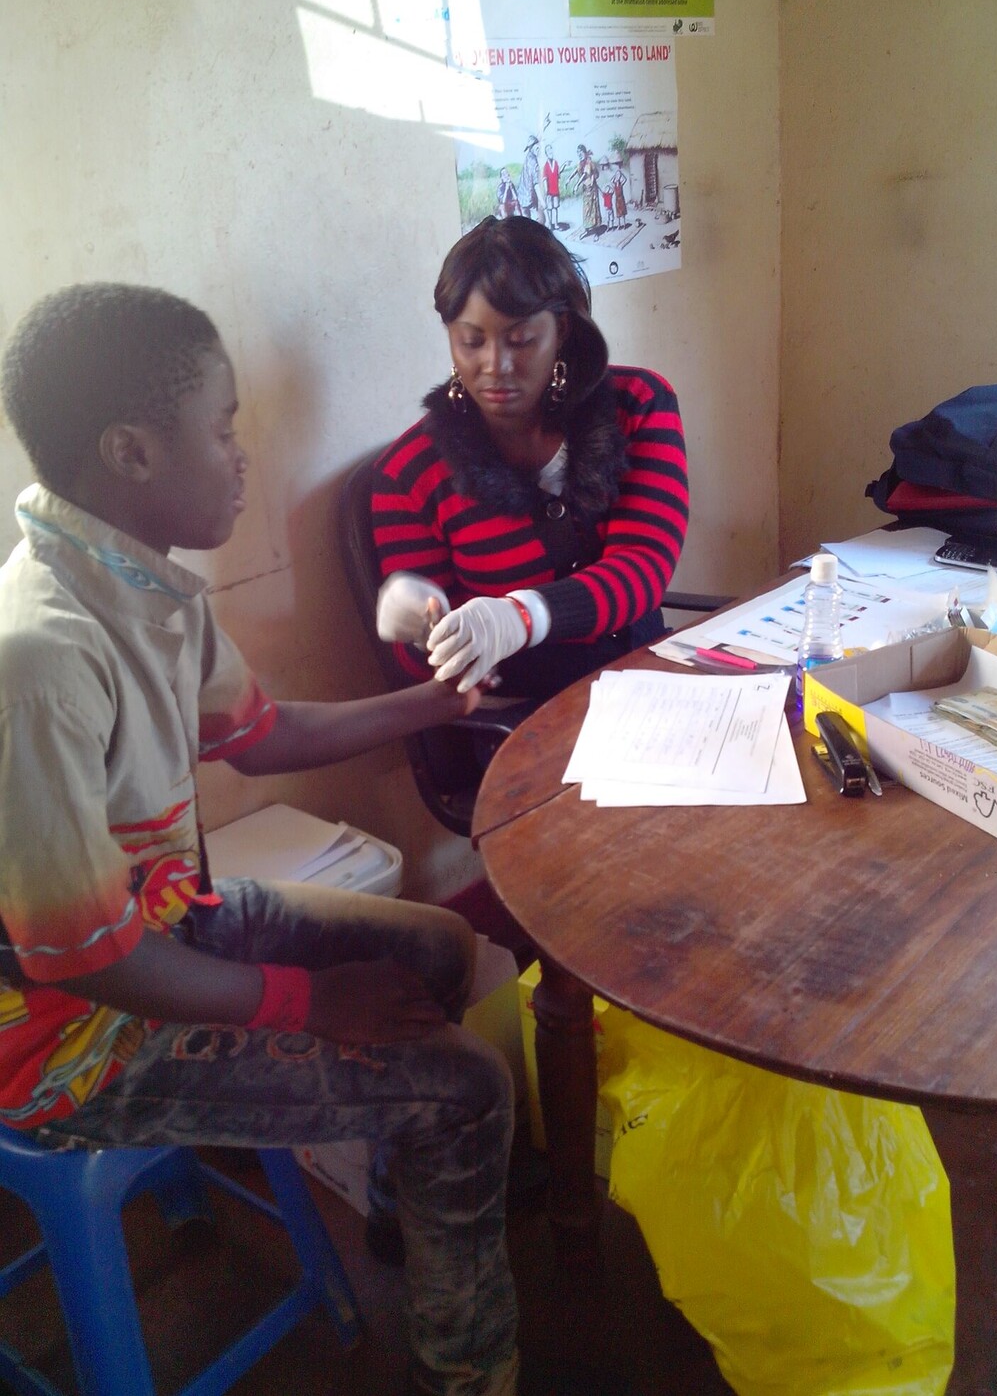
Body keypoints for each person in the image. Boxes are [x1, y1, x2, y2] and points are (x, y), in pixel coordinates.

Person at [0, 283, 518, 1396]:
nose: (244, 454)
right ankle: (470, 1374)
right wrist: (307, 1004)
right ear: (132, 452)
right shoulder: (40, 660)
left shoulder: (145, 587)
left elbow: (261, 735)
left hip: (163, 923)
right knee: (469, 1084)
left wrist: (427, 705)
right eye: (225, 427)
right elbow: (82, 959)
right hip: (75, 1039)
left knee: (436, 948)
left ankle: (409, 1211)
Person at [371, 215, 689, 701]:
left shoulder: (639, 404)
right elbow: (427, 671)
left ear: (561, 329)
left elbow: (642, 566)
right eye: (471, 341)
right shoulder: (409, 475)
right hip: (523, 720)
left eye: (520, 340)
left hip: (643, 685)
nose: (495, 365)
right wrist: (423, 631)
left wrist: (522, 615)